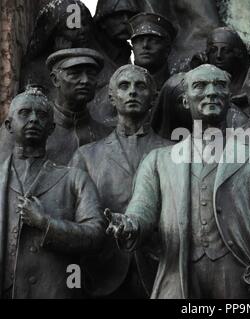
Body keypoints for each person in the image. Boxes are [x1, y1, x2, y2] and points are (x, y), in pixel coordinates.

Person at [106, 64, 250, 299]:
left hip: (243, 285)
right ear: (185, 101)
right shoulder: (158, 160)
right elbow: (142, 210)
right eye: (200, 86)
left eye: (220, 85)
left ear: (229, 97)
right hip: (178, 281)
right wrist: (129, 226)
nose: (211, 92)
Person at [71, 64, 171, 299]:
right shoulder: (86, 156)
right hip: (102, 272)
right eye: (124, 86)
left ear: (153, 97)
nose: (133, 92)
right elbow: (75, 217)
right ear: (112, 98)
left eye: (140, 86)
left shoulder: (173, 152)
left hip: (161, 268)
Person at [0, 87, 104, 299]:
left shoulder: (75, 179)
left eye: (42, 115)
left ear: (51, 128)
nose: (33, 120)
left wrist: (46, 224)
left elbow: (95, 235)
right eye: (25, 113)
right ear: (9, 125)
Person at [44, 48, 112, 165]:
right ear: (55, 80)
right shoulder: (33, 130)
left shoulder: (107, 135)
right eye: (75, 74)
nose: (85, 81)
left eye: (91, 75)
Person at [191, 27, 249, 97]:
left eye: (226, 51)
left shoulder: (248, 81)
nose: (218, 56)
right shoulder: (201, 73)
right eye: (213, 50)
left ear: (237, 54)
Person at [130, 13, 177, 91]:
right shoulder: (121, 85)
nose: (145, 45)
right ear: (132, 47)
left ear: (167, 49)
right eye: (139, 40)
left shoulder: (178, 86)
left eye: (153, 41)